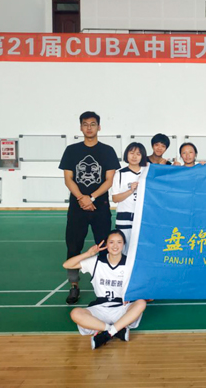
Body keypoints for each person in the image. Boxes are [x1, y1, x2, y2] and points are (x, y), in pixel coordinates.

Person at [59, 111, 120, 305]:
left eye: (93, 124)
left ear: (99, 127)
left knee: (103, 245)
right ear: (80, 127)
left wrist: (91, 197)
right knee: (73, 245)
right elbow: (68, 179)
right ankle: (74, 285)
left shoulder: (107, 151)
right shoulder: (71, 150)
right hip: (77, 207)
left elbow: (109, 180)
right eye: (85, 124)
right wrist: (81, 198)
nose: (89, 128)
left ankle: (103, 285)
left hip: (100, 206)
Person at [63, 229, 147, 350]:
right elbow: (67, 265)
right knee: (75, 313)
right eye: (111, 242)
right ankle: (115, 331)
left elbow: (143, 284)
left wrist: (131, 295)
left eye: (119, 242)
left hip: (122, 308)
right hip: (100, 308)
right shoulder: (96, 262)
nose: (115, 245)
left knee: (141, 303)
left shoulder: (130, 263)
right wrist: (88, 254)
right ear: (106, 244)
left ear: (124, 244)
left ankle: (105, 334)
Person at [111, 142, 148, 254]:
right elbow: (115, 198)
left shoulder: (147, 171)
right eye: (131, 153)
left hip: (143, 217)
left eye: (138, 154)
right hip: (124, 218)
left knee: (141, 250)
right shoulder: (119, 174)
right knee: (124, 251)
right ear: (126, 154)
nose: (134, 156)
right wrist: (130, 191)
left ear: (142, 156)